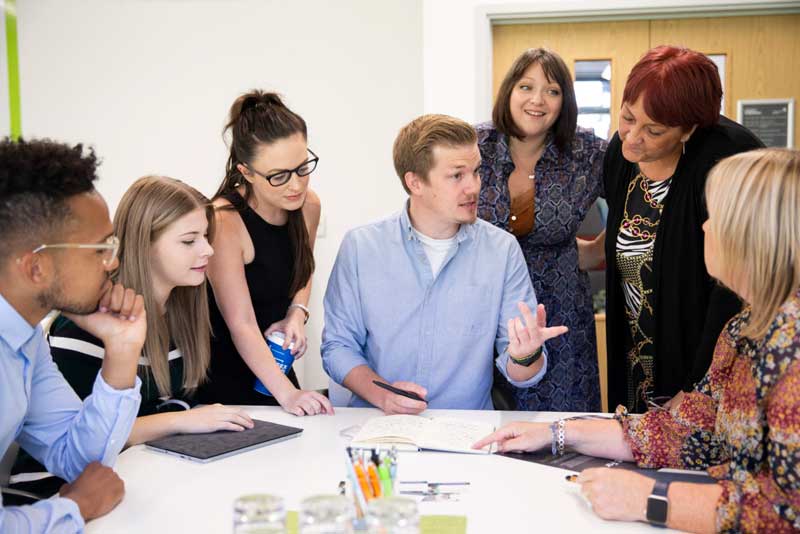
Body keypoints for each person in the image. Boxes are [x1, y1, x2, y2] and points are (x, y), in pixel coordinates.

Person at [474, 148, 800, 532]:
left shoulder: (791, 350)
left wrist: (650, 500)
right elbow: (693, 429)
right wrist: (559, 433)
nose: (704, 228)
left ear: (754, 234)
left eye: (715, 216)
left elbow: (788, 510)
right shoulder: (747, 325)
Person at [321, 114, 567, 412]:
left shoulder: (501, 251)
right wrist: (382, 395)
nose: (474, 187)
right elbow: (338, 347)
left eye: (476, 172)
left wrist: (526, 355)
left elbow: (521, 373)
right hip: (377, 427)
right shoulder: (361, 248)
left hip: (466, 433)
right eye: (457, 176)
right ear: (415, 183)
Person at [590, 45, 763, 413]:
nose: (633, 137)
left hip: (704, 355)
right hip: (636, 348)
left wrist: (696, 385)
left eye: (654, 130)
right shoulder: (621, 157)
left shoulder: (726, 160)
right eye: (627, 117)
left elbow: (732, 290)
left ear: (689, 129)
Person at [0, 138, 146, 531]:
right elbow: (85, 488)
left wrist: (121, 349)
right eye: (100, 249)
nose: (112, 263)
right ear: (36, 268)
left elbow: (80, 461)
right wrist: (73, 507)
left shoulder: (25, 337)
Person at [49, 176, 254, 446]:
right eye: (189, 241)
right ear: (143, 244)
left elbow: (172, 404)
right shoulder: (84, 323)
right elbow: (83, 440)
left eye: (205, 236)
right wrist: (182, 420)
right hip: (64, 483)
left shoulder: (182, 309)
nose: (209, 250)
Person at [477, 47, 607, 412]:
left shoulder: (587, 152)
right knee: (478, 422)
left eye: (552, 91)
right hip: (482, 307)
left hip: (560, 312)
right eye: (526, 87)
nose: (538, 100)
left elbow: (638, 202)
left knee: (560, 434)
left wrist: (597, 250)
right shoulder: (474, 146)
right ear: (508, 92)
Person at [197, 90, 333, 416]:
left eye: (303, 168)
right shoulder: (225, 221)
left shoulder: (308, 206)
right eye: (279, 176)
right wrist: (288, 394)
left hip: (275, 367)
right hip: (223, 380)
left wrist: (296, 313)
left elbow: (304, 268)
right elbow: (241, 323)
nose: (296, 186)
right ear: (245, 172)